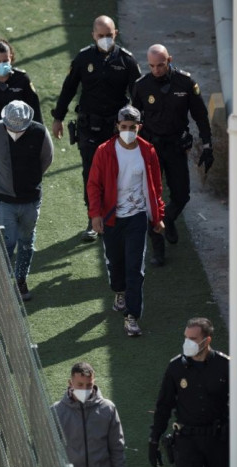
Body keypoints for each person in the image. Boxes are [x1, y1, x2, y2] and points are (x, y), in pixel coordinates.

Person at [51, 15, 142, 242]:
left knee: (118, 172)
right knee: (91, 173)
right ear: (93, 35)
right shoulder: (84, 58)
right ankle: (93, 218)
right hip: (89, 127)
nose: (105, 39)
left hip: (116, 129)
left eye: (109, 36)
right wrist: (58, 117)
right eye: (100, 36)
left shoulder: (127, 61)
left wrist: (140, 127)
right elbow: (68, 88)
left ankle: (117, 216)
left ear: (116, 34)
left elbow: (138, 96)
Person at [132, 44, 214, 266]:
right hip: (151, 148)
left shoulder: (185, 83)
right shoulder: (142, 86)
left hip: (176, 146)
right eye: (152, 66)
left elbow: (200, 116)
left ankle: (167, 218)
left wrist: (207, 145)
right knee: (151, 198)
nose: (156, 70)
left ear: (169, 60)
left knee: (182, 195)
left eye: (160, 65)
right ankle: (158, 250)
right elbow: (135, 120)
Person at [87, 105, 164, 336]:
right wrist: (96, 214)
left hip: (137, 218)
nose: (128, 131)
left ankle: (131, 316)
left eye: (132, 127)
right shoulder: (104, 151)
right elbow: (94, 185)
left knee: (135, 268)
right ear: (117, 127)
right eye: (124, 127)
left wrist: (158, 216)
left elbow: (156, 187)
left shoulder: (148, 151)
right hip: (112, 218)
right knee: (115, 261)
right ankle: (118, 291)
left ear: (139, 127)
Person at [0, 100, 53, 301]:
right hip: (2, 201)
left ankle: (20, 279)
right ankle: (1, 284)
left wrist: (31, 181)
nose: (15, 131)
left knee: (27, 241)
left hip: (30, 200)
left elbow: (47, 158)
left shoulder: (39, 133)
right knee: (7, 241)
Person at [148, 317, 229, 467]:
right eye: (186, 337)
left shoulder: (225, 366)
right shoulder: (175, 367)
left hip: (218, 440)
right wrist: (154, 440)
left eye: (193, 339)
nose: (187, 342)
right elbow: (164, 406)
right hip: (187, 440)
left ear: (207, 341)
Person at [53, 362, 127, 467]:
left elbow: (117, 446)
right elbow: (47, 450)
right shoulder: (56, 411)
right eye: (80, 385)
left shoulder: (107, 409)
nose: (84, 390)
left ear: (94, 382)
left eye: (89, 385)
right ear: (70, 383)